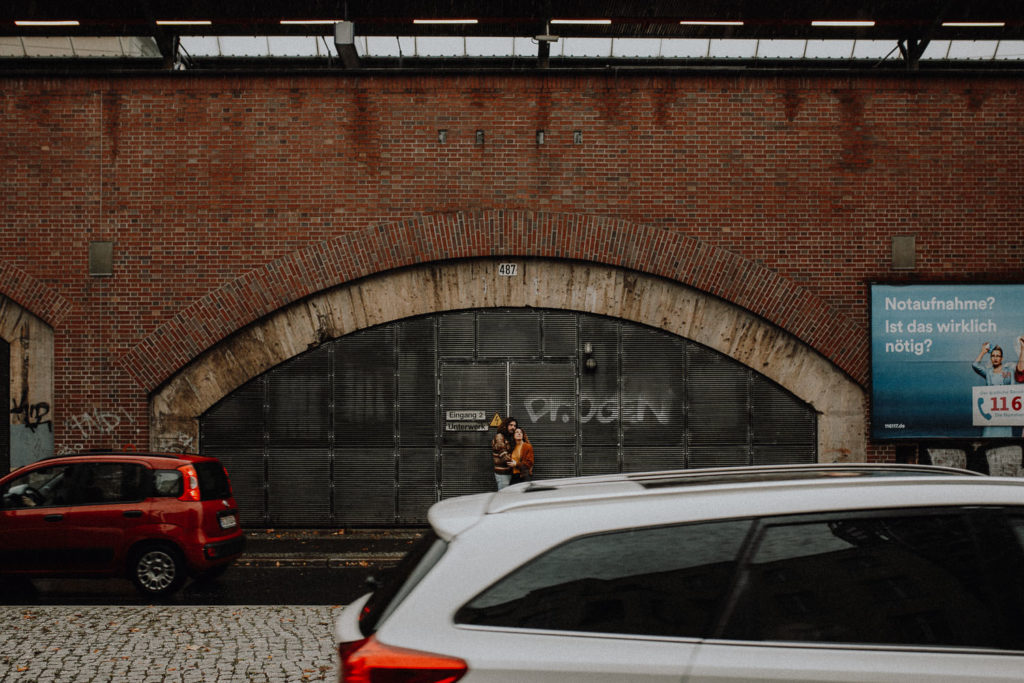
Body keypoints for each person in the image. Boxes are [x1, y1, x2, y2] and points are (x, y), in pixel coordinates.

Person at [972, 342, 1014, 437]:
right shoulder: (988, 372)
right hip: (991, 410)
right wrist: (983, 352)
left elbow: (1013, 388)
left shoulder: (1008, 371)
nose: (995, 358)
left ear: (1001, 358)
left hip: (1004, 411)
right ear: (991, 358)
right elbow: (975, 365)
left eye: (998, 356)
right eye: (993, 356)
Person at [491, 418, 514, 490]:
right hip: (502, 473)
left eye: (515, 426)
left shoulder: (506, 438)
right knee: (503, 496)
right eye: (511, 425)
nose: (513, 427)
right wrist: (516, 462)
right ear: (505, 425)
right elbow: (504, 455)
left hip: (506, 472)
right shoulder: (499, 437)